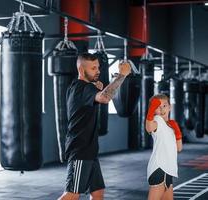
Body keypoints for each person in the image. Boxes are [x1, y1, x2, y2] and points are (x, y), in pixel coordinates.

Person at [58, 52, 131, 200]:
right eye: (93, 68)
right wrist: (121, 75)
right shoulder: (82, 88)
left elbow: (98, 95)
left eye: (98, 67)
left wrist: (96, 87)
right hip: (80, 150)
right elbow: (104, 97)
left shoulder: (80, 87)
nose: (98, 71)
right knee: (71, 194)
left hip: (90, 150)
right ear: (81, 70)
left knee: (98, 193)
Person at [145, 94, 183, 200]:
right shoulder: (158, 120)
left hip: (168, 170)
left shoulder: (170, 126)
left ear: (170, 107)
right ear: (153, 109)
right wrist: (151, 110)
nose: (161, 109)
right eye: (158, 106)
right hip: (159, 168)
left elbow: (179, 148)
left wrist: (178, 133)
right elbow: (149, 127)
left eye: (164, 106)